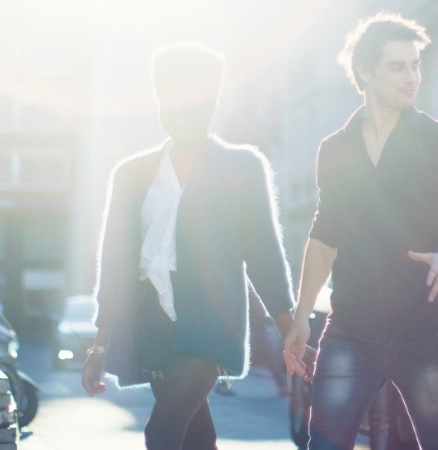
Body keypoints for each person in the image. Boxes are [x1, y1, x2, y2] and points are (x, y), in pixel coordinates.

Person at [280, 12, 438, 450]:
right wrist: (301, 317)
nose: (412, 77)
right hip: (349, 333)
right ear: (365, 72)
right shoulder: (336, 148)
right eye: (398, 66)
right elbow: (324, 237)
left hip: (425, 334)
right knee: (322, 444)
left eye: (415, 65)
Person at [80, 42, 301, 449]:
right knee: (197, 440)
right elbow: (114, 265)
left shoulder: (241, 166)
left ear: (212, 104)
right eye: (169, 102)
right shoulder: (131, 174)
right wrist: (99, 345)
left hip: (211, 323)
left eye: (192, 104)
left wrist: (291, 333)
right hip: (152, 323)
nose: (179, 114)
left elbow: (265, 256)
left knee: (161, 433)